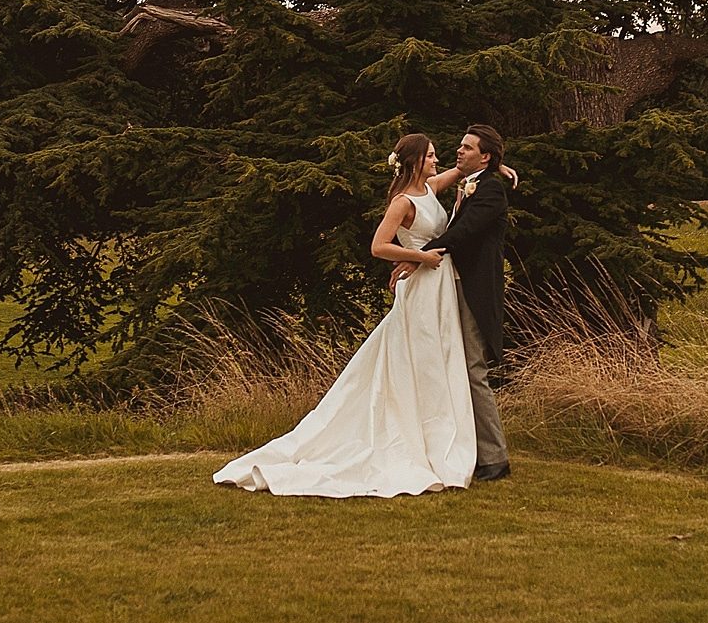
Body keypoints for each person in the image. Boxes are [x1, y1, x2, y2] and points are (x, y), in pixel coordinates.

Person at [213, 132, 507, 496]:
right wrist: (417, 258)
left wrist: (495, 166)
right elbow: (378, 246)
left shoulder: (431, 186)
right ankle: (421, 442)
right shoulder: (402, 202)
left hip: (441, 285)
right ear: (416, 162)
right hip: (425, 284)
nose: (440, 158)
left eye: (440, 154)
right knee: (423, 363)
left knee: (443, 364)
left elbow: (465, 176)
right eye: (431, 155)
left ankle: (450, 442)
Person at [406, 125, 513, 481]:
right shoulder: (476, 183)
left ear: (484, 156)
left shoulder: (491, 191)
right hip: (452, 288)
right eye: (459, 146)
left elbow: (462, 234)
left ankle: (495, 458)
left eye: (467, 148)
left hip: (476, 292)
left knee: (472, 370)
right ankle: (465, 448)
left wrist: (415, 256)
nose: (458, 152)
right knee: (455, 369)